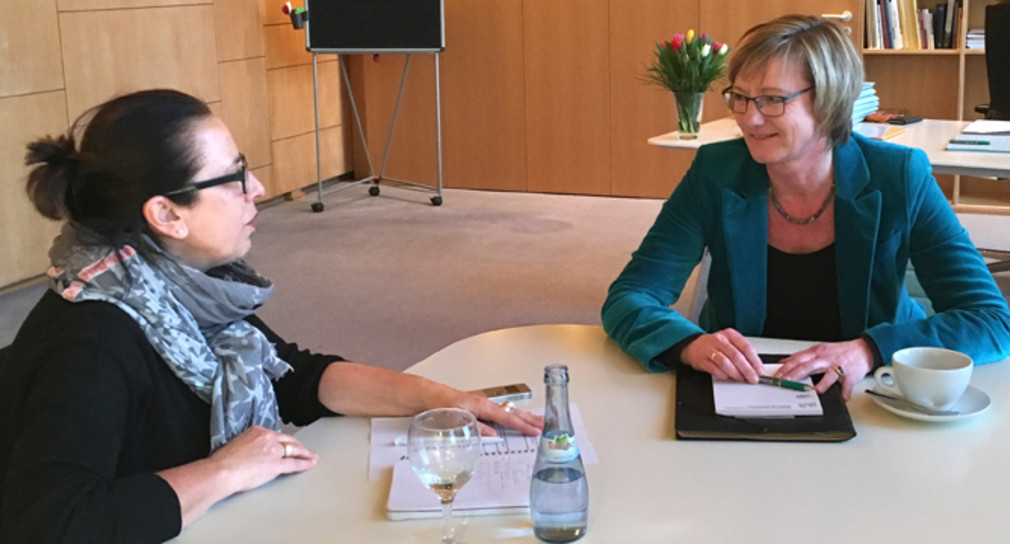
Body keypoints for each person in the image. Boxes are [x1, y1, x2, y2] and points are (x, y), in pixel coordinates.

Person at [0, 89, 543, 543]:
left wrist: (440, 398)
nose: (257, 189)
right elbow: (52, 522)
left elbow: (294, 376)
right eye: (233, 177)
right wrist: (224, 472)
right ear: (166, 214)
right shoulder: (93, 340)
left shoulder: (180, 287)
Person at [602, 14, 1010, 399]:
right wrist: (690, 344)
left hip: (867, 391)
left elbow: (991, 320)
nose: (749, 118)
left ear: (829, 102)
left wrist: (869, 350)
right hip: (743, 389)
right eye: (740, 98)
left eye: (772, 100)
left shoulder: (898, 176)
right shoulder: (716, 172)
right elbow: (631, 296)